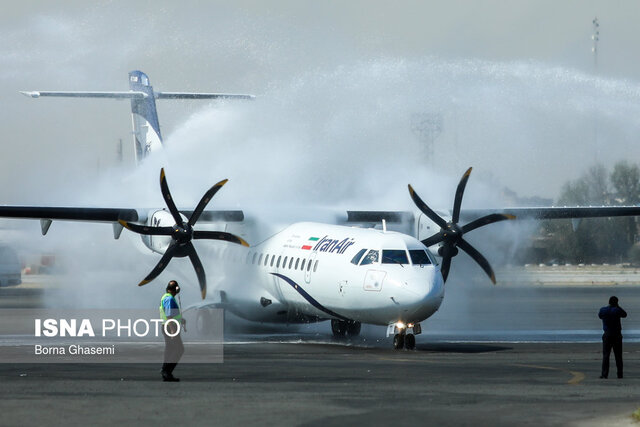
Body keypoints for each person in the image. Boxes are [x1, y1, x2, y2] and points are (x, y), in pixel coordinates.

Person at [160, 280, 185, 382]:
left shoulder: (166, 297)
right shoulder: (169, 299)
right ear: (176, 289)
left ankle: (165, 371)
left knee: (170, 349)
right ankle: (167, 371)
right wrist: (172, 331)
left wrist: (180, 319)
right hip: (170, 327)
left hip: (167, 326)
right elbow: (169, 316)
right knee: (179, 349)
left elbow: (172, 315)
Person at [598, 296, 627, 379]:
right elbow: (625, 314)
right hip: (617, 335)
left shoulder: (603, 310)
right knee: (618, 356)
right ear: (616, 302)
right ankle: (620, 374)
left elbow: (600, 316)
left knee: (606, 355)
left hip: (607, 334)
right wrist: (618, 306)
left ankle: (604, 374)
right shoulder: (617, 310)